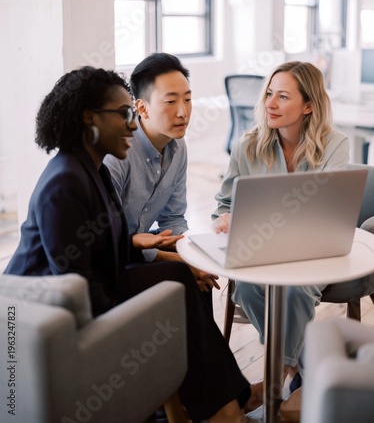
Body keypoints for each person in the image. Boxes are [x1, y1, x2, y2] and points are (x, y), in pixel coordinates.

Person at [4, 66, 262, 423]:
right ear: (89, 119)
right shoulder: (64, 183)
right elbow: (76, 288)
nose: (131, 125)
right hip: (48, 311)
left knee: (177, 275)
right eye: (124, 114)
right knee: (174, 287)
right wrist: (146, 315)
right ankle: (224, 409)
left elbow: (102, 246)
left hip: (85, 289)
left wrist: (149, 249)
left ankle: (219, 405)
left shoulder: (90, 169)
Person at [212, 61, 350, 418]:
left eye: (283, 96)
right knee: (243, 284)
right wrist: (225, 218)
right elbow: (224, 202)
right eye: (269, 94)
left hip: (314, 253)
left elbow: (331, 210)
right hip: (263, 250)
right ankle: (305, 375)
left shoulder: (335, 144)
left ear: (308, 106)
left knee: (297, 288)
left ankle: (272, 381)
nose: (270, 103)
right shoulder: (248, 145)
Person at [104, 53, 219, 308]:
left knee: (201, 265)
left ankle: (198, 348)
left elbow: (173, 218)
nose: (183, 112)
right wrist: (175, 260)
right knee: (183, 272)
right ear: (142, 108)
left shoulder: (178, 146)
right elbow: (109, 239)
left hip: (144, 247)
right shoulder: (118, 153)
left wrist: (191, 252)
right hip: (112, 256)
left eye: (188, 100)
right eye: (171, 102)